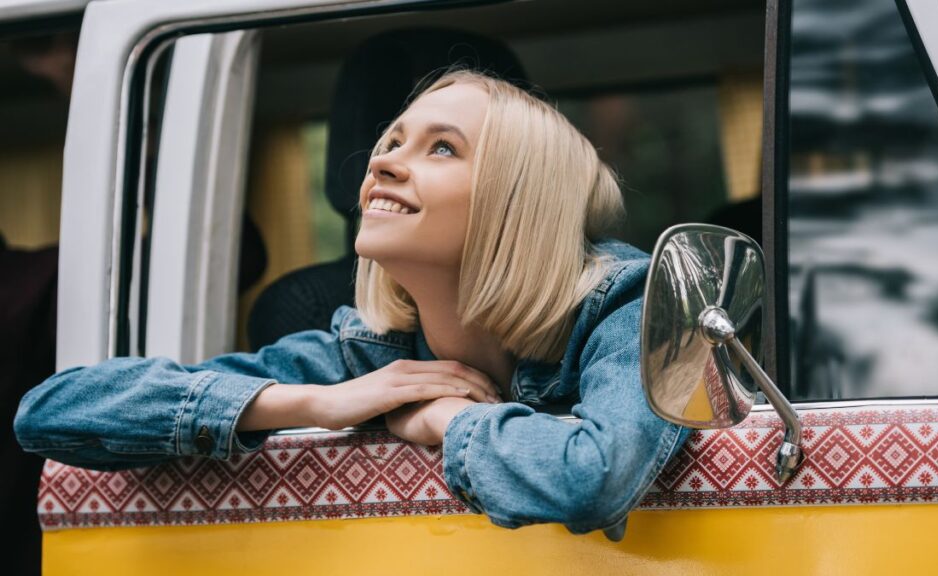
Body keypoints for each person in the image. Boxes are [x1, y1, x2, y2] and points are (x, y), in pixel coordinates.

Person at [14, 69, 690, 536]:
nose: (383, 162)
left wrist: (450, 421)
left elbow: (596, 478)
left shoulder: (629, 302)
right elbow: (53, 413)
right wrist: (318, 404)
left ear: (516, 204)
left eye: (441, 148)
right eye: (393, 140)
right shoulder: (369, 352)